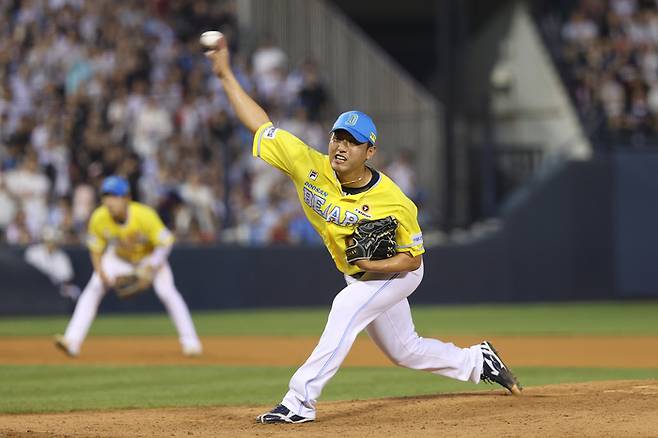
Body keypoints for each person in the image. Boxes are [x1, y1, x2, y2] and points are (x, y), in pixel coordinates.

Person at [205, 37, 522, 424]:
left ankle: (299, 402)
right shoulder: (307, 163)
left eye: (352, 142)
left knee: (345, 307)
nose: (341, 146)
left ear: (369, 152)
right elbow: (259, 123)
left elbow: (413, 257)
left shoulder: (395, 200)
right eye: (338, 137)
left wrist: (377, 264)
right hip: (359, 273)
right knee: (405, 350)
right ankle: (478, 361)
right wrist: (224, 76)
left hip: (398, 272)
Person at [54, 176, 202, 357]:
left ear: (126, 198)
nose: (109, 201)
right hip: (119, 258)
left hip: (149, 257)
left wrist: (151, 267)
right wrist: (100, 272)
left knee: (167, 292)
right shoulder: (99, 217)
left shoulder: (144, 215)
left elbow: (166, 243)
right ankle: (72, 342)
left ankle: (191, 343)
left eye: (114, 196)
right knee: (94, 287)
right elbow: (96, 248)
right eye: (106, 196)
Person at [24, 227, 81, 301]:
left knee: (75, 291)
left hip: (56, 287)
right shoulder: (33, 252)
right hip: (34, 286)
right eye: (48, 240)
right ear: (44, 239)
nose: (50, 243)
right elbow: (26, 272)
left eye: (52, 240)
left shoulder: (62, 256)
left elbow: (67, 277)